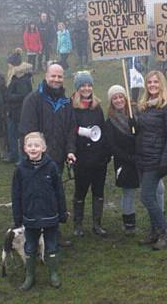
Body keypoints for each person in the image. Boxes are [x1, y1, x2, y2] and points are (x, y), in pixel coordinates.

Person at [20, 63, 77, 247]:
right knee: (35, 197)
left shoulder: (66, 103)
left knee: (54, 196)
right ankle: (33, 235)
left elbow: (70, 129)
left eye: (60, 76)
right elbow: (28, 131)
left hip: (58, 160)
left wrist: (70, 150)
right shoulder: (33, 99)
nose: (56, 80)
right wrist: (35, 154)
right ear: (46, 76)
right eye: (53, 76)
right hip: (36, 160)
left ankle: (52, 234)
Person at [11, 132, 68, 290]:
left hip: (50, 215)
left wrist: (62, 213)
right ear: (24, 148)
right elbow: (16, 195)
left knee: (51, 245)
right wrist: (17, 217)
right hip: (30, 216)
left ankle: (53, 274)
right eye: (29, 145)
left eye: (36, 145)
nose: (33, 148)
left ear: (43, 148)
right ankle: (30, 276)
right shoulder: (20, 169)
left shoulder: (51, 167)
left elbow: (59, 192)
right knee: (29, 246)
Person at [133, 71, 167, 250]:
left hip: (155, 158)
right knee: (148, 195)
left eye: (155, 82)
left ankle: (165, 232)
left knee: (147, 197)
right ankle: (154, 231)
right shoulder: (145, 106)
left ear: (162, 84)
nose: (152, 85)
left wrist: (164, 161)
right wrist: (134, 124)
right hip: (142, 157)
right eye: (149, 82)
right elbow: (142, 130)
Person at [69, 71, 110, 237]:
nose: (86, 88)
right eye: (83, 86)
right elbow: (69, 130)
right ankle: (78, 225)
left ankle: (97, 224)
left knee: (98, 191)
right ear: (78, 89)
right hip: (82, 157)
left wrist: (106, 153)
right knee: (81, 190)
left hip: (99, 157)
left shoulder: (97, 107)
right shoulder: (72, 107)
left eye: (89, 85)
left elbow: (103, 129)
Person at [105, 85, 139, 235]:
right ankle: (129, 223)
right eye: (115, 98)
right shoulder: (110, 121)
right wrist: (128, 158)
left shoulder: (135, 112)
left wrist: (136, 126)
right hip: (124, 161)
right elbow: (112, 146)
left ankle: (158, 219)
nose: (118, 100)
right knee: (129, 192)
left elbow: (143, 134)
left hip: (142, 158)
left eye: (120, 97)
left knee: (156, 189)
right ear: (111, 101)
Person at [5, 50, 33, 163]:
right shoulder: (15, 76)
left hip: (19, 111)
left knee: (21, 136)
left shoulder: (21, 79)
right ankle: (13, 155)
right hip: (13, 111)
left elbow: (24, 95)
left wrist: (9, 96)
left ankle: (21, 158)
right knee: (12, 134)